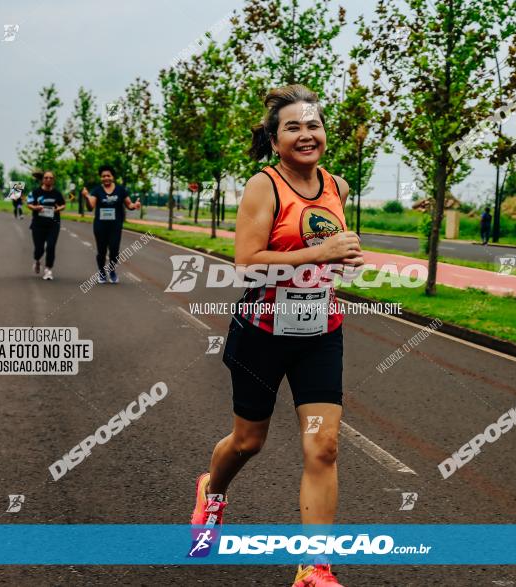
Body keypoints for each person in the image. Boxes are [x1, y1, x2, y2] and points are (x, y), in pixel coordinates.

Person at [190, 85, 362, 587]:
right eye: (294, 127)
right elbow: (247, 262)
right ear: (274, 138)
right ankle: (212, 492)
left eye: (313, 125)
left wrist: (344, 256)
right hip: (262, 332)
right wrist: (320, 253)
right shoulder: (262, 186)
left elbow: (331, 247)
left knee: (324, 446)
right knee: (248, 442)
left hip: (320, 331)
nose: (306, 134)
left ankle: (315, 568)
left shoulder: (339, 186)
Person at [80, 165, 140, 284]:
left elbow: (129, 205)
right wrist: (86, 197)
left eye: (108, 175)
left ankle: (112, 271)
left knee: (114, 250)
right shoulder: (97, 190)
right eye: (103, 176)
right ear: (100, 178)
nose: (106, 178)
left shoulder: (120, 190)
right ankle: (102, 272)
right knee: (101, 251)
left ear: (113, 177)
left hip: (115, 226)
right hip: (100, 226)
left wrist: (135, 205)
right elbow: (90, 207)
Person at [26, 170, 66, 280]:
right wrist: (35, 208)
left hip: (53, 224)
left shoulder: (57, 193)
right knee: (39, 248)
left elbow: (63, 205)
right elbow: (29, 204)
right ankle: (37, 260)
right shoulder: (35, 192)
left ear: (53, 180)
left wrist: (58, 209)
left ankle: (48, 269)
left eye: (51, 178)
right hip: (38, 224)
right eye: (46, 178)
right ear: (42, 179)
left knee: (51, 246)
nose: (48, 180)